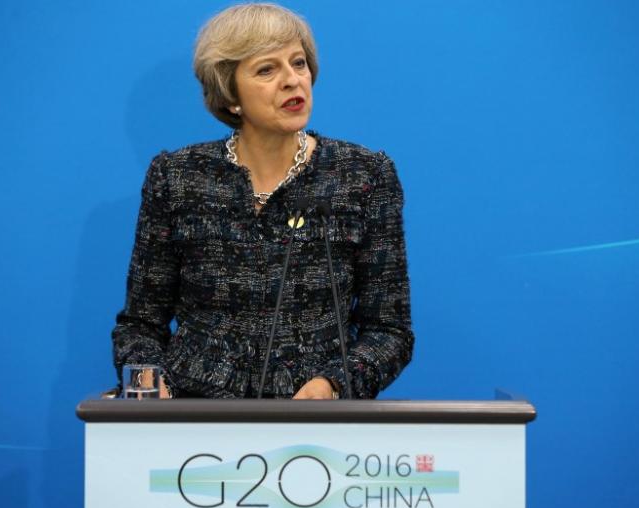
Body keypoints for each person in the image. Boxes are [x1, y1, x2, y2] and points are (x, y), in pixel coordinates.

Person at [111, 3, 413, 399]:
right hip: (191, 418)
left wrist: (335, 385)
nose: (292, 81)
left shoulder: (362, 176)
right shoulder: (177, 177)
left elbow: (388, 332)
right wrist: (149, 387)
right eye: (267, 70)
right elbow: (140, 325)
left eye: (298, 64)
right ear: (230, 94)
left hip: (314, 422)